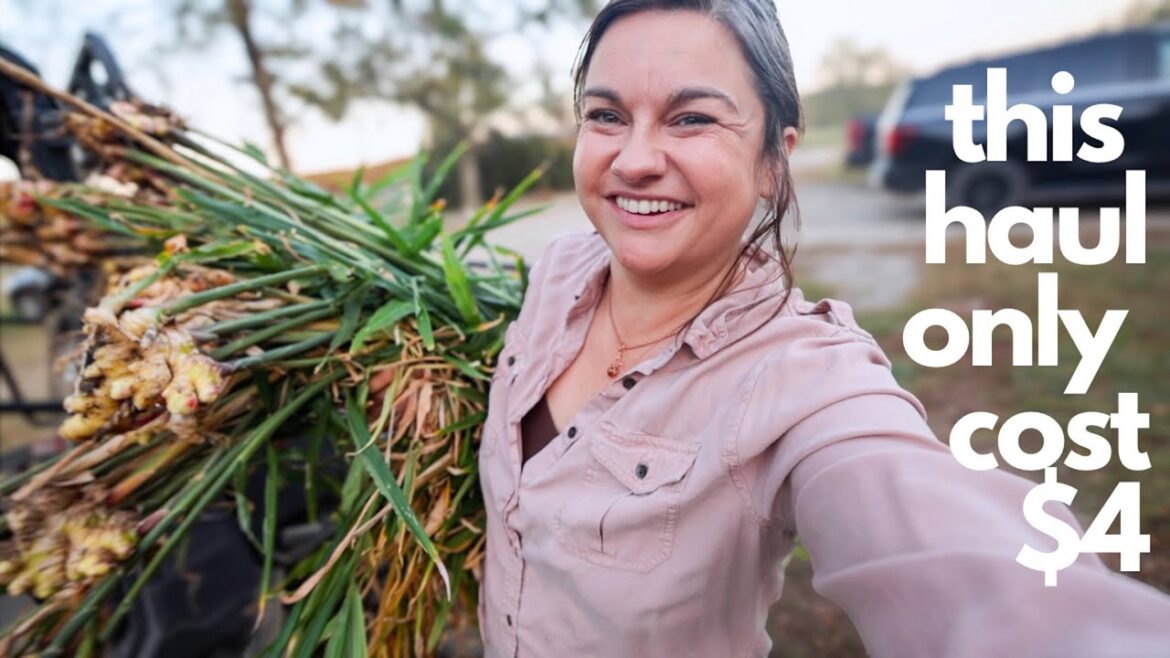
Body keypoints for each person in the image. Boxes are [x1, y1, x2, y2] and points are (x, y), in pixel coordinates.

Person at [475, 1, 1170, 656]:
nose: (634, 159)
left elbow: (948, 548)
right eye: (606, 115)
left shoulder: (808, 382)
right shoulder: (559, 272)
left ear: (774, 162)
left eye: (691, 120)